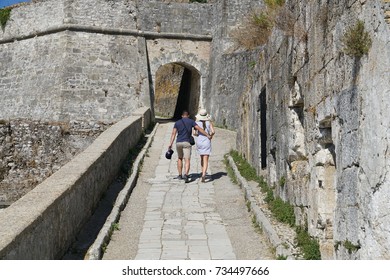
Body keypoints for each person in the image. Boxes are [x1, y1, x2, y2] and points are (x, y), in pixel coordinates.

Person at [168, 110, 212, 183]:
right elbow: (199, 129)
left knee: (180, 158)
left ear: (182, 116)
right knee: (187, 159)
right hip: (187, 143)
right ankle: (186, 174)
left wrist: (170, 144)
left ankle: (179, 175)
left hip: (178, 142)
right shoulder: (191, 121)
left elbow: (173, 134)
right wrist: (207, 135)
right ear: (188, 115)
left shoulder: (177, 123)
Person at [194, 109, 215, 183]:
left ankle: (202, 171)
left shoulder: (196, 123)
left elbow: (195, 133)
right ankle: (203, 174)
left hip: (199, 142)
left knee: (201, 158)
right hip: (206, 142)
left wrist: (199, 134)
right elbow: (213, 131)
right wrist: (210, 136)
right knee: (206, 159)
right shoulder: (209, 123)